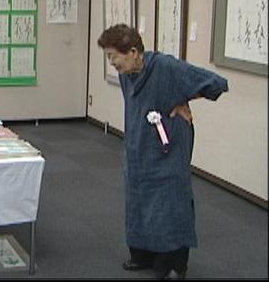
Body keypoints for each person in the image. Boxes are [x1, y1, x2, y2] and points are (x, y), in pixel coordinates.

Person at [97, 24, 228, 280]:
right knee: (138, 199)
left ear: (134, 52)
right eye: (108, 56)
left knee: (170, 202)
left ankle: (174, 264)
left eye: (114, 56)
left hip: (167, 148)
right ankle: (143, 254)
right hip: (138, 146)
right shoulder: (127, 74)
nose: (111, 62)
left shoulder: (167, 68)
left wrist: (183, 99)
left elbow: (217, 83)